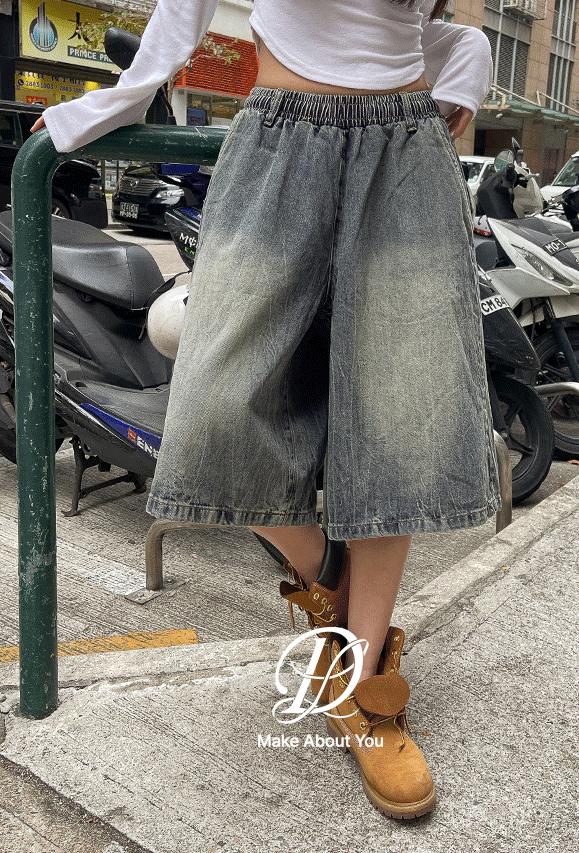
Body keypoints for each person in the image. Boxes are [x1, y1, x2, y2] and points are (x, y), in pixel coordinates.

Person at [32, 0, 498, 820]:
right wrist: (120, 99)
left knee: (398, 416)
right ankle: (331, 577)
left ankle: (365, 686)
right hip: (280, 141)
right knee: (213, 412)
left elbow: (428, 23)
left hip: (406, 154)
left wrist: (466, 59)